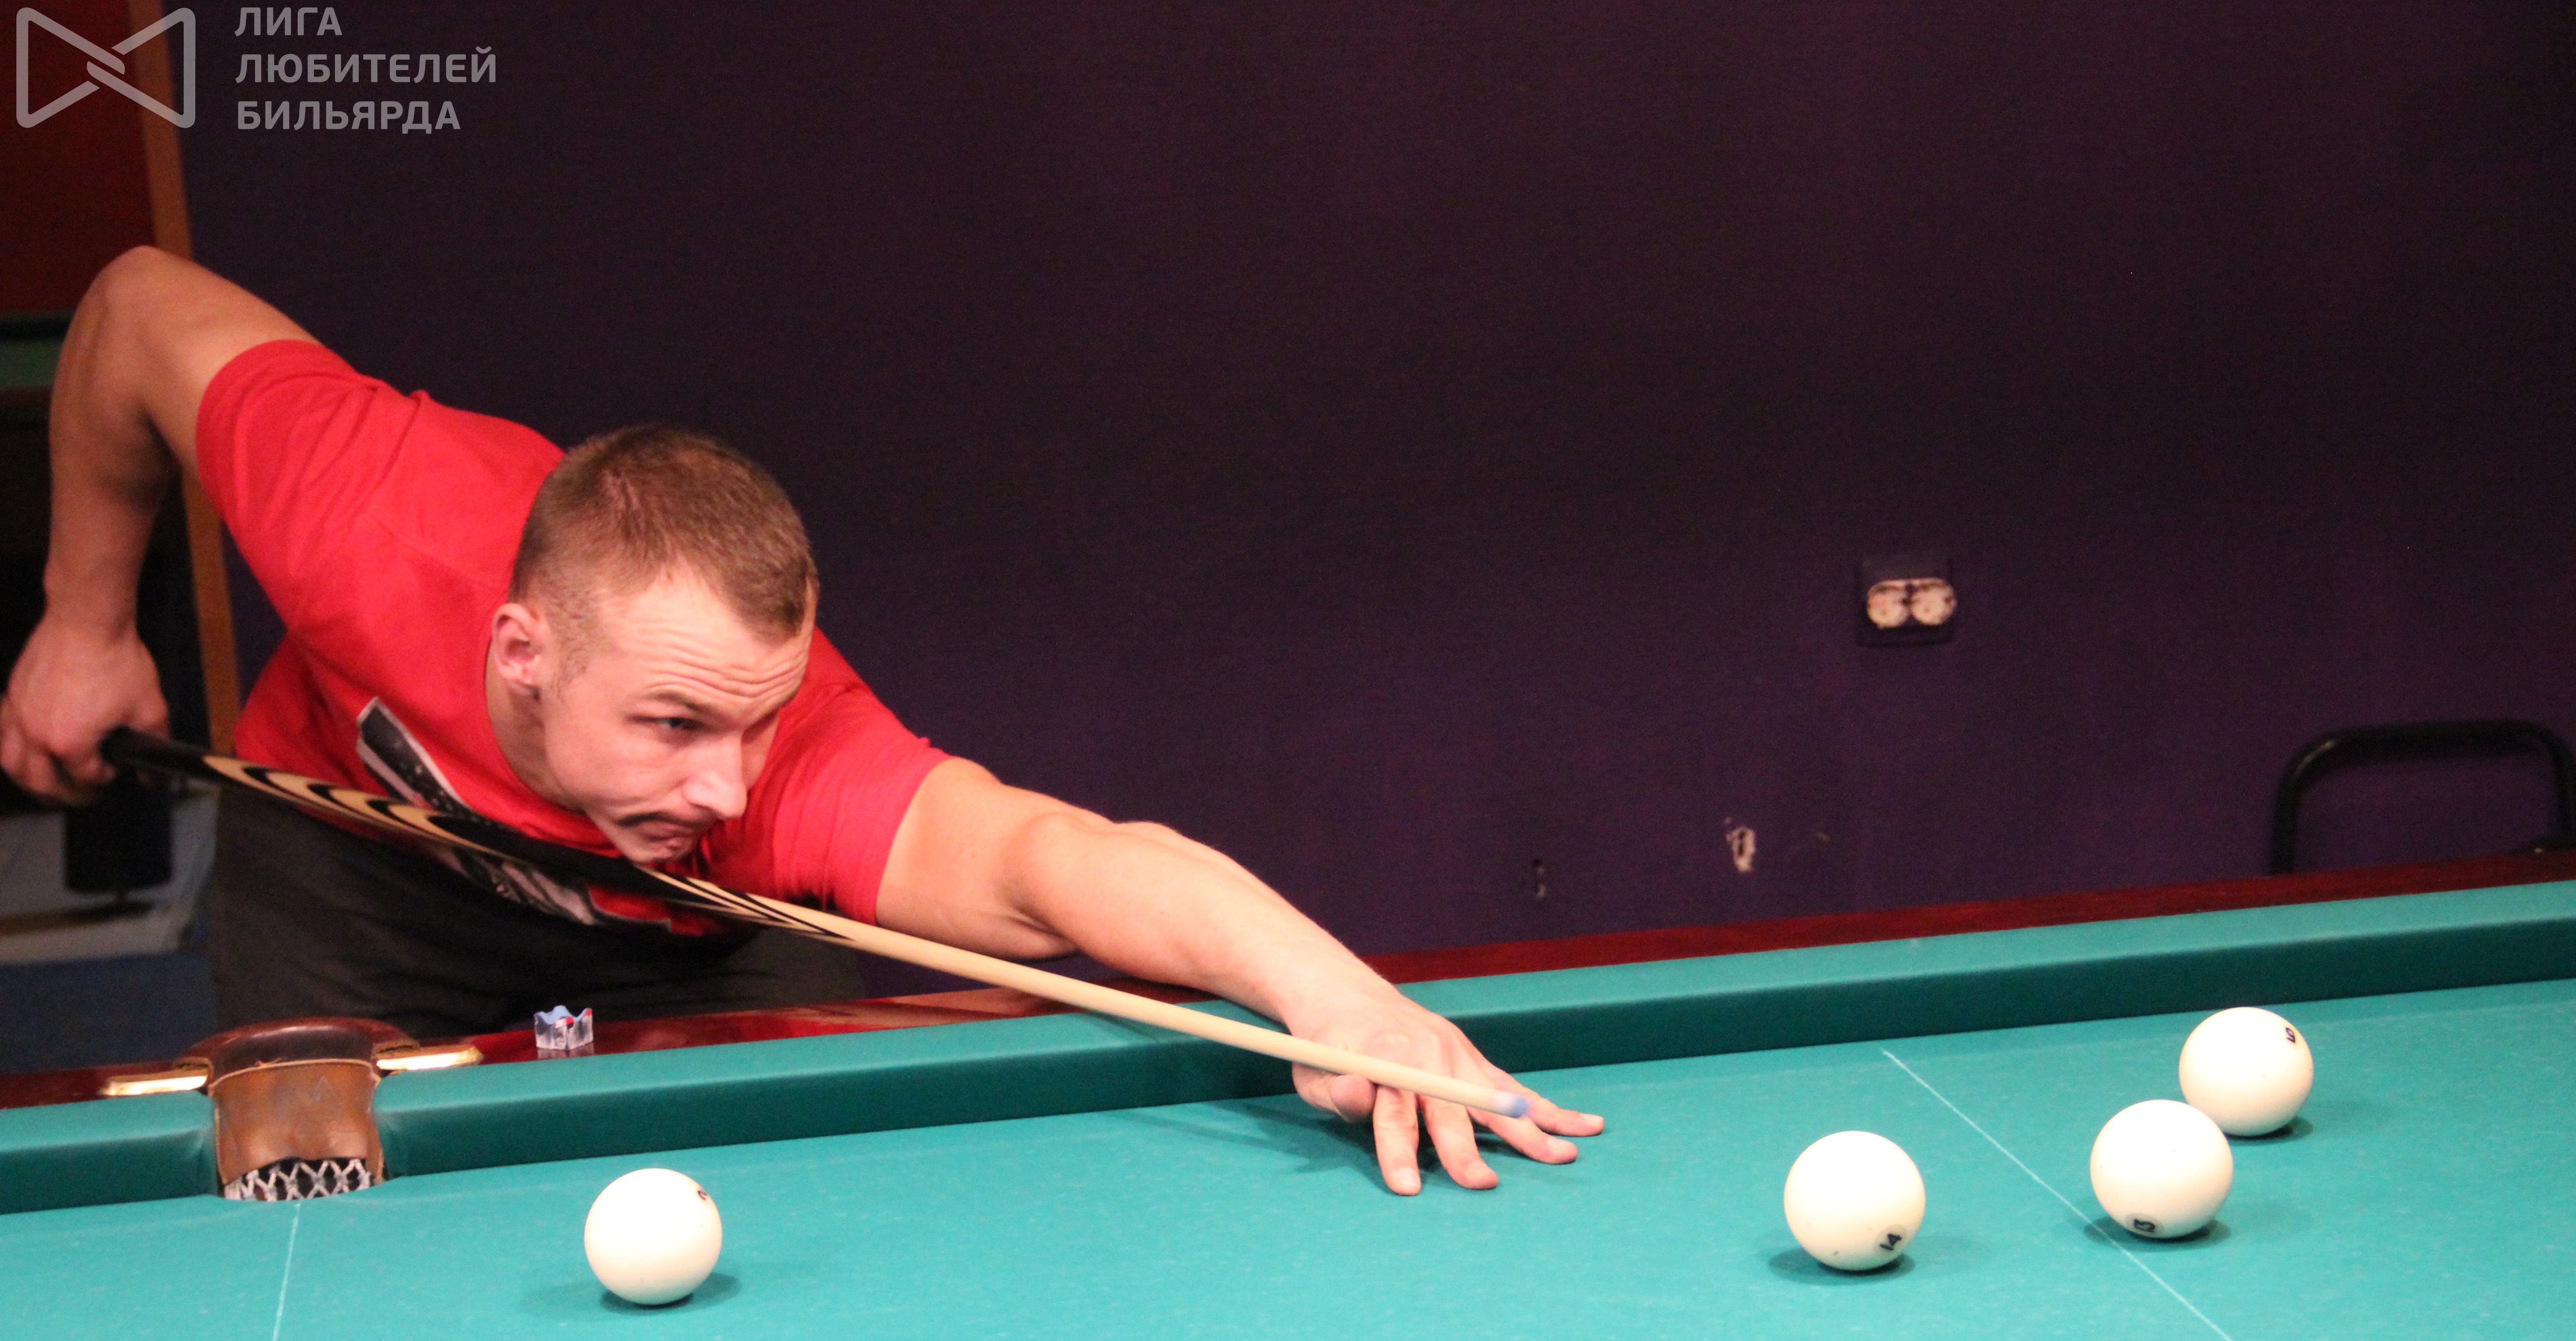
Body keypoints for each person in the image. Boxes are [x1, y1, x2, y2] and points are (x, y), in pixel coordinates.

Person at [1, 247, 1601, 1194]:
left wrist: (1340, 998)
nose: (726, 784)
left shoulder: (780, 780)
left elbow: (1056, 858)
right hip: (358, 879)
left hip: (700, 940)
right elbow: (135, 308)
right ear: (523, 649)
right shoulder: (368, 510)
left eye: (755, 726)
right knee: (314, 1230)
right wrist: (85, 623)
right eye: (674, 724)